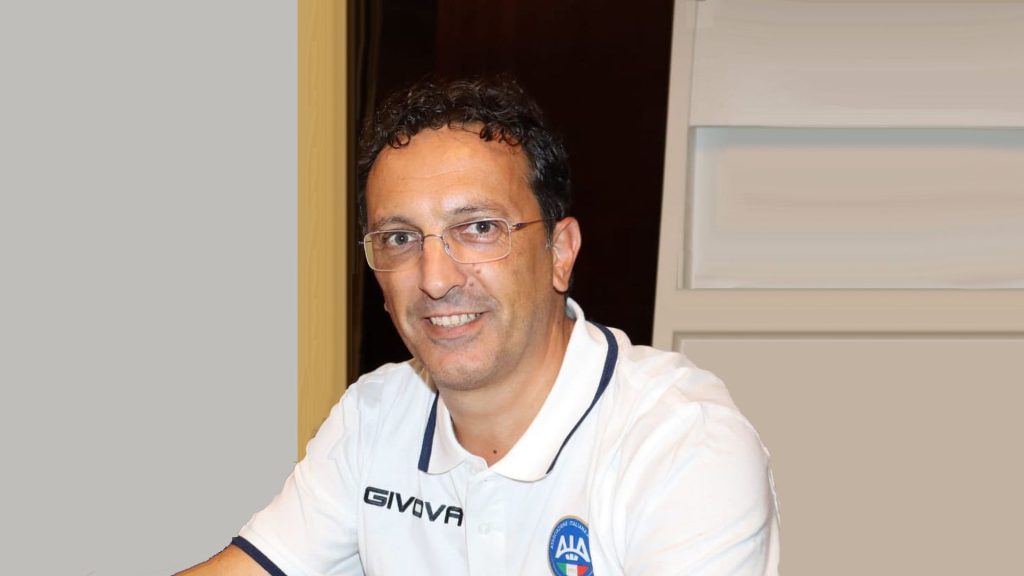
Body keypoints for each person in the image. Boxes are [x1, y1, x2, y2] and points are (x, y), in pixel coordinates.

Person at [180, 77, 780, 575]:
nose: (435, 278)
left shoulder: (680, 443)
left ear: (560, 252)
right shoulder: (375, 418)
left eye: (479, 229)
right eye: (400, 238)